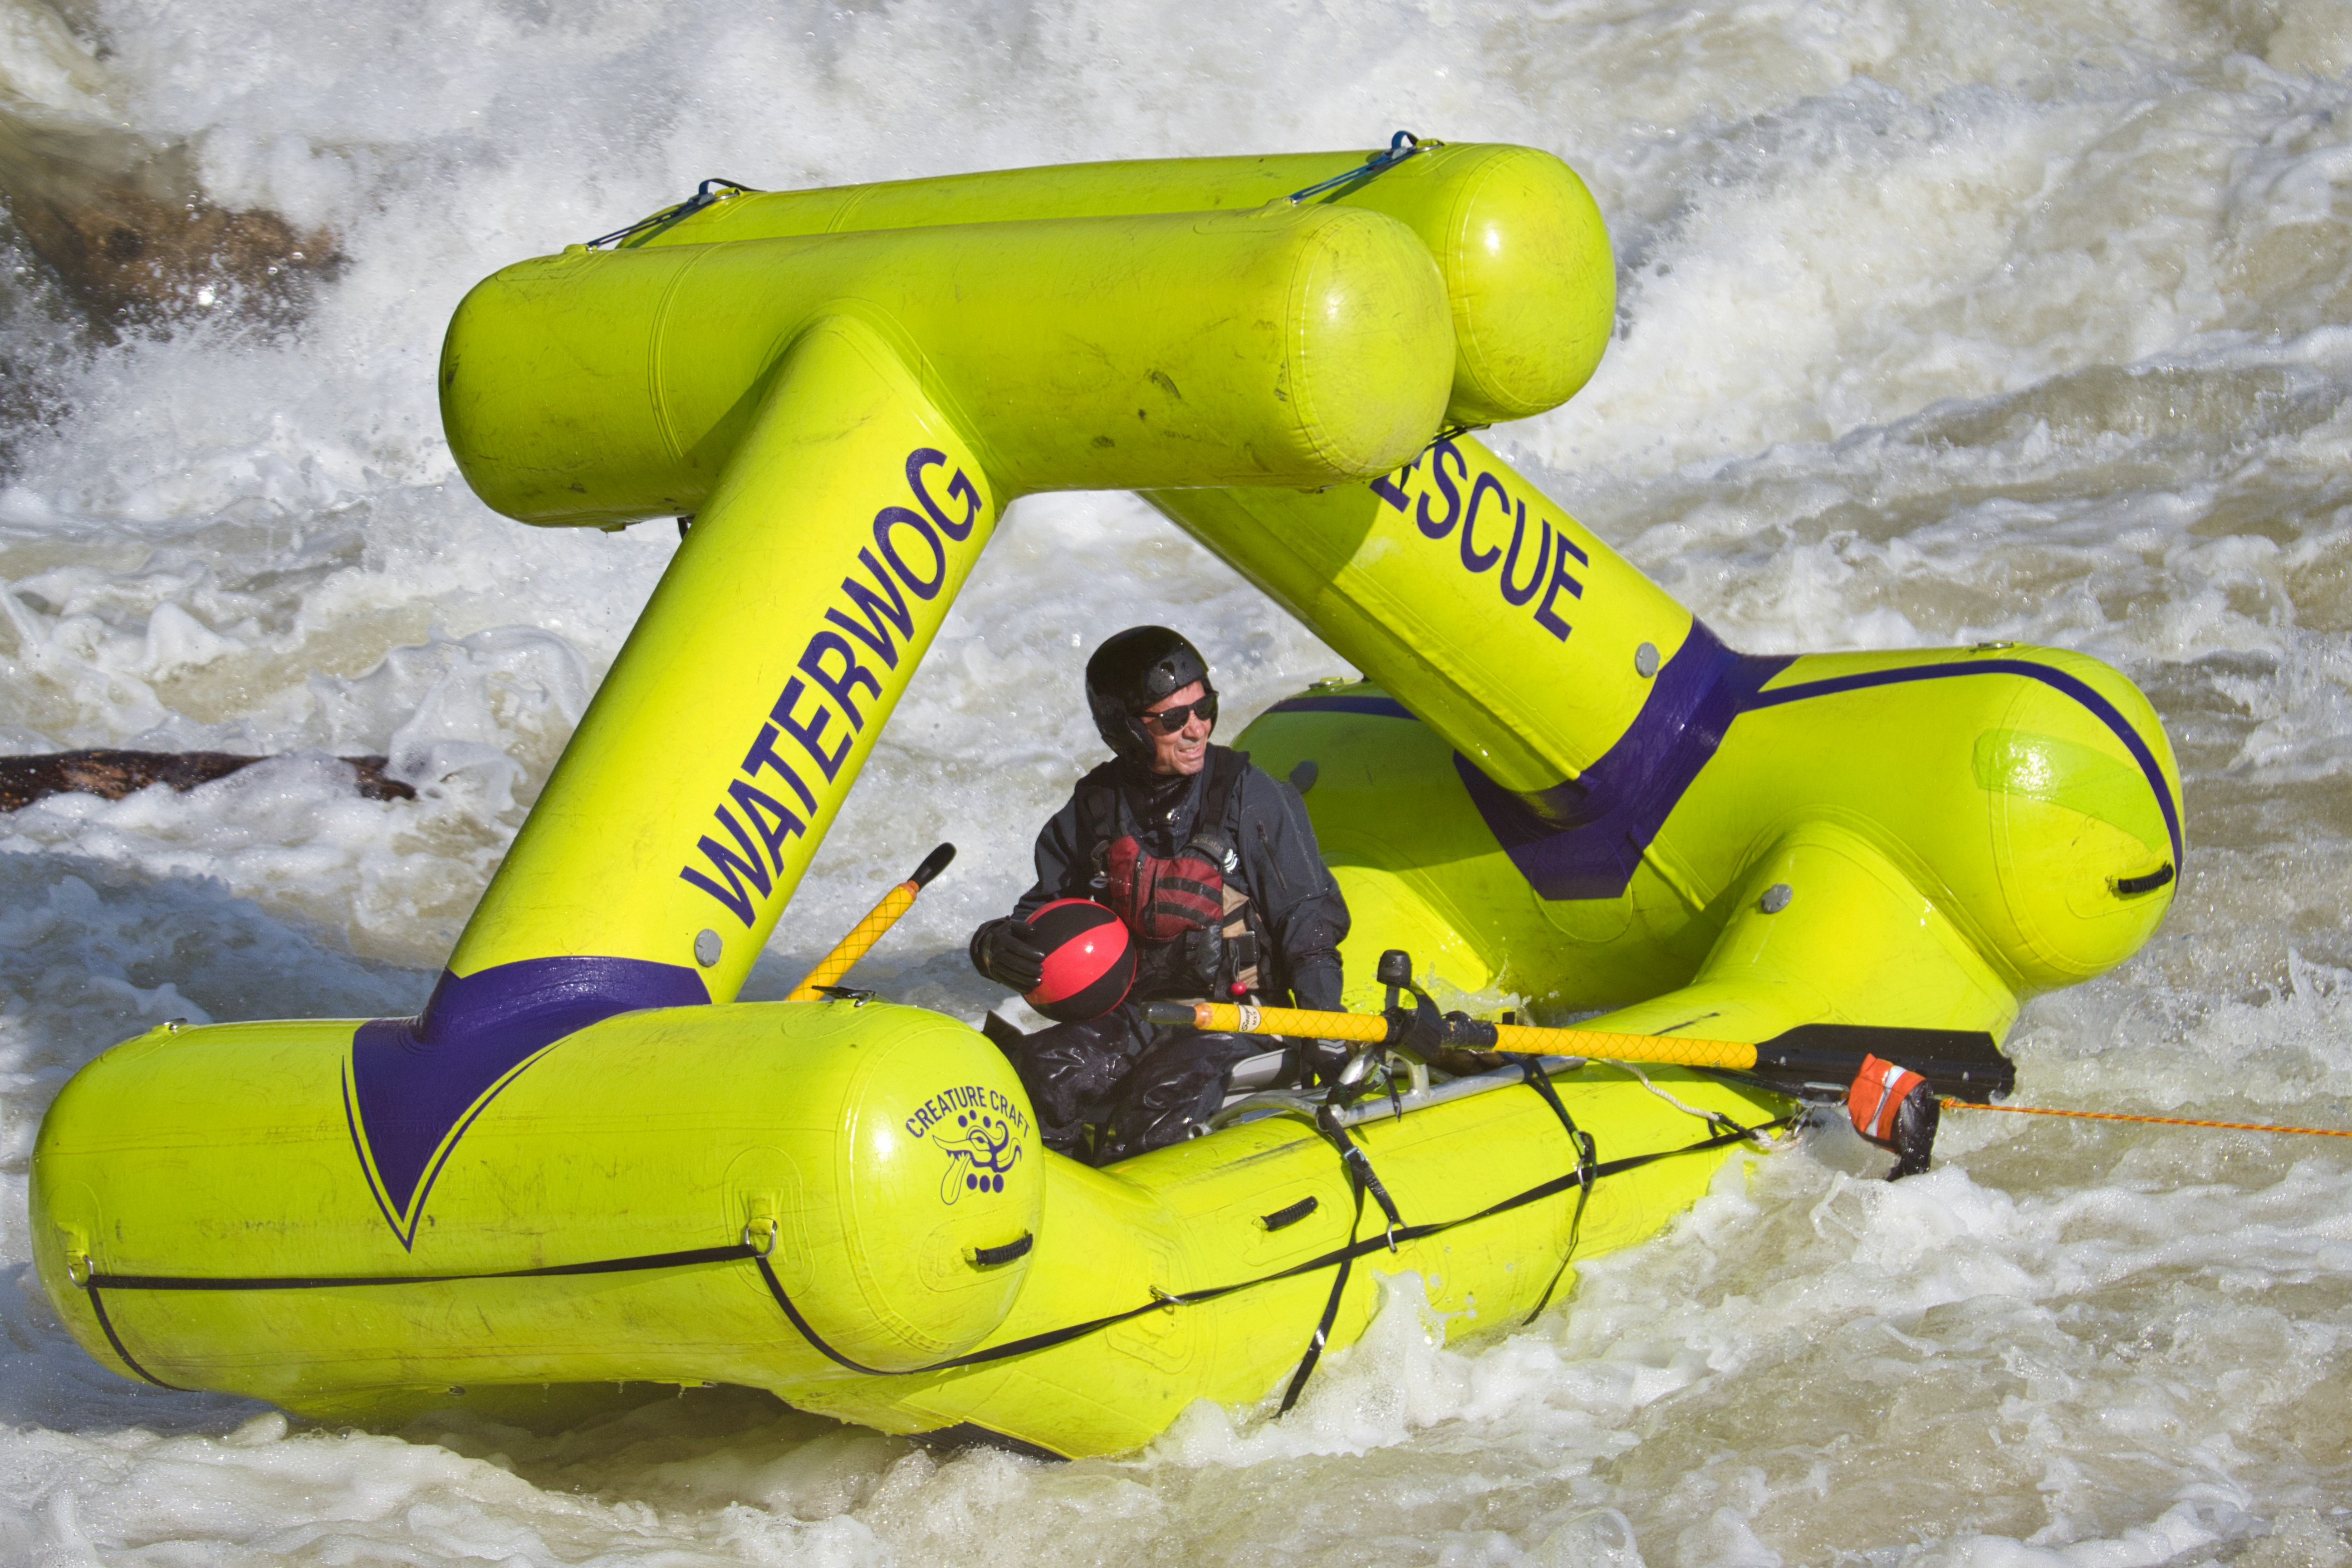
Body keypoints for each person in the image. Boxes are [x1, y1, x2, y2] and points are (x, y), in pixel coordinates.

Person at [970, 627, 1350, 1163]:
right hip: (1141, 1016)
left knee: (1156, 1102)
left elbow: (1307, 926)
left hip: (1239, 1020)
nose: (1198, 728)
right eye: (1174, 719)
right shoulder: (1095, 808)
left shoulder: (1253, 795)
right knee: (1044, 1072)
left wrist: (1325, 1023)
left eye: (1206, 707)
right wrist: (992, 947)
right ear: (1125, 730)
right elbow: (1040, 921)